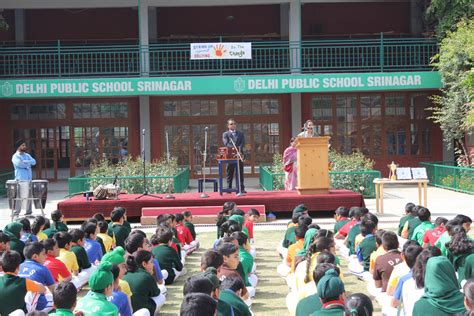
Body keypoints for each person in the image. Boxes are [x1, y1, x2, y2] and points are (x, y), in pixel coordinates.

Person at [0, 250, 46, 315]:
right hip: (21, 313)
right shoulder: (24, 282)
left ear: (2, 267)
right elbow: (43, 289)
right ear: (19, 267)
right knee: (35, 291)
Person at [123, 250, 165, 315]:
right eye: (151, 262)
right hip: (143, 312)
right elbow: (156, 293)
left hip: (126, 313)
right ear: (144, 264)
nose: (153, 264)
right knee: (162, 295)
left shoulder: (124, 274)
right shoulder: (146, 276)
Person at [19, 242, 55, 312]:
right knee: (56, 299)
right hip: (37, 307)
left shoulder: (18, 266)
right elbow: (54, 290)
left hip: (20, 306)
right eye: (44, 254)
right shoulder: (42, 269)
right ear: (35, 256)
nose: (46, 256)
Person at [12, 139, 37, 217]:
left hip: (29, 179)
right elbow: (20, 164)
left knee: (29, 196)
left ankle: (28, 213)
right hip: (20, 179)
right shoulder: (15, 156)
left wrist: (26, 162)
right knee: (19, 196)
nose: (24, 147)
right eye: (23, 145)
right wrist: (27, 163)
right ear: (18, 147)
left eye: (25, 145)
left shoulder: (26, 155)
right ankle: (16, 213)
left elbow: (34, 162)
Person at [222, 118, 246, 193]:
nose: (233, 125)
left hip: (239, 155)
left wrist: (238, 149)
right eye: (231, 124)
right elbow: (226, 143)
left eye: (234, 123)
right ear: (228, 126)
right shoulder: (225, 134)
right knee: (230, 172)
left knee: (240, 172)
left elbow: (242, 143)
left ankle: (241, 188)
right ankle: (229, 188)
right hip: (230, 156)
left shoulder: (240, 133)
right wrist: (233, 149)